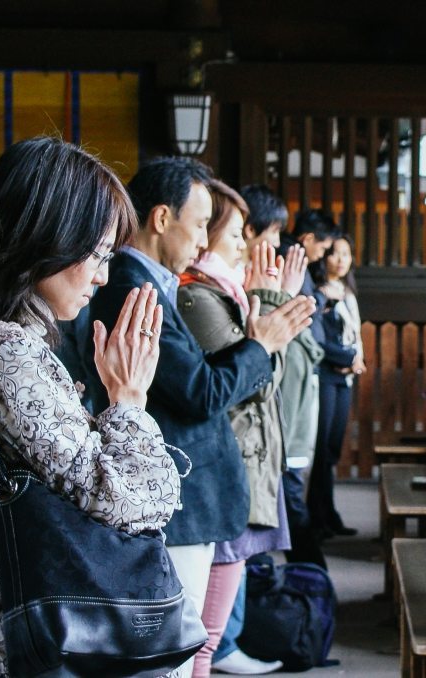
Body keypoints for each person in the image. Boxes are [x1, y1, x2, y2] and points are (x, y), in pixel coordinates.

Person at [0, 137, 181, 676]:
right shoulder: (11, 354)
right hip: (38, 639)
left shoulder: (9, 342)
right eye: (96, 255)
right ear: (48, 237)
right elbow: (132, 499)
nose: (102, 276)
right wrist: (128, 401)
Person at [85, 157, 315, 677]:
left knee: (189, 645)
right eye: (200, 223)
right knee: (179, 648)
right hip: (179, 496)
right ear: (162, 218)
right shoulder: (132, 289)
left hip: (191, 492)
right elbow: (200, 390)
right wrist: (261, 344)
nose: (204, 240)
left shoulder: (152, 282)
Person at [177, 180, 295, 676]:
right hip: (223, 462)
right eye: (232, 235)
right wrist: (269, 303)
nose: (244, 247)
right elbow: (251, 384)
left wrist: (267, 310)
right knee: (201, 637)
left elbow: (272, 372)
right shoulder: (198, 297)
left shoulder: (228, 294)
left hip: (242, 457)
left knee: (208, 629)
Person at [273, 206, 336, 567]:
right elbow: (303, 310)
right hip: (295, 362)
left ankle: (307, 559)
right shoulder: (289, 256)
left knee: (295, 467)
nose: (322, 255)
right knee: (292, 467)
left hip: (302, 359)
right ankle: (309, 562)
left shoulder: (298, 261)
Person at [309, 234, 364, 538]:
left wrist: (356, 359)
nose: (342, 259)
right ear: (324, 257)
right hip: (326, 375)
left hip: (345, 377)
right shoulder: (321, 294)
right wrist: (349, 357)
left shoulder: (347, 292)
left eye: (346, 253)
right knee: (320, 450)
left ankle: (327, 512)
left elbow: (353, 335)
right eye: (335, 253)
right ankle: (319, 517)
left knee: (331, 450)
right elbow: (321, 343)